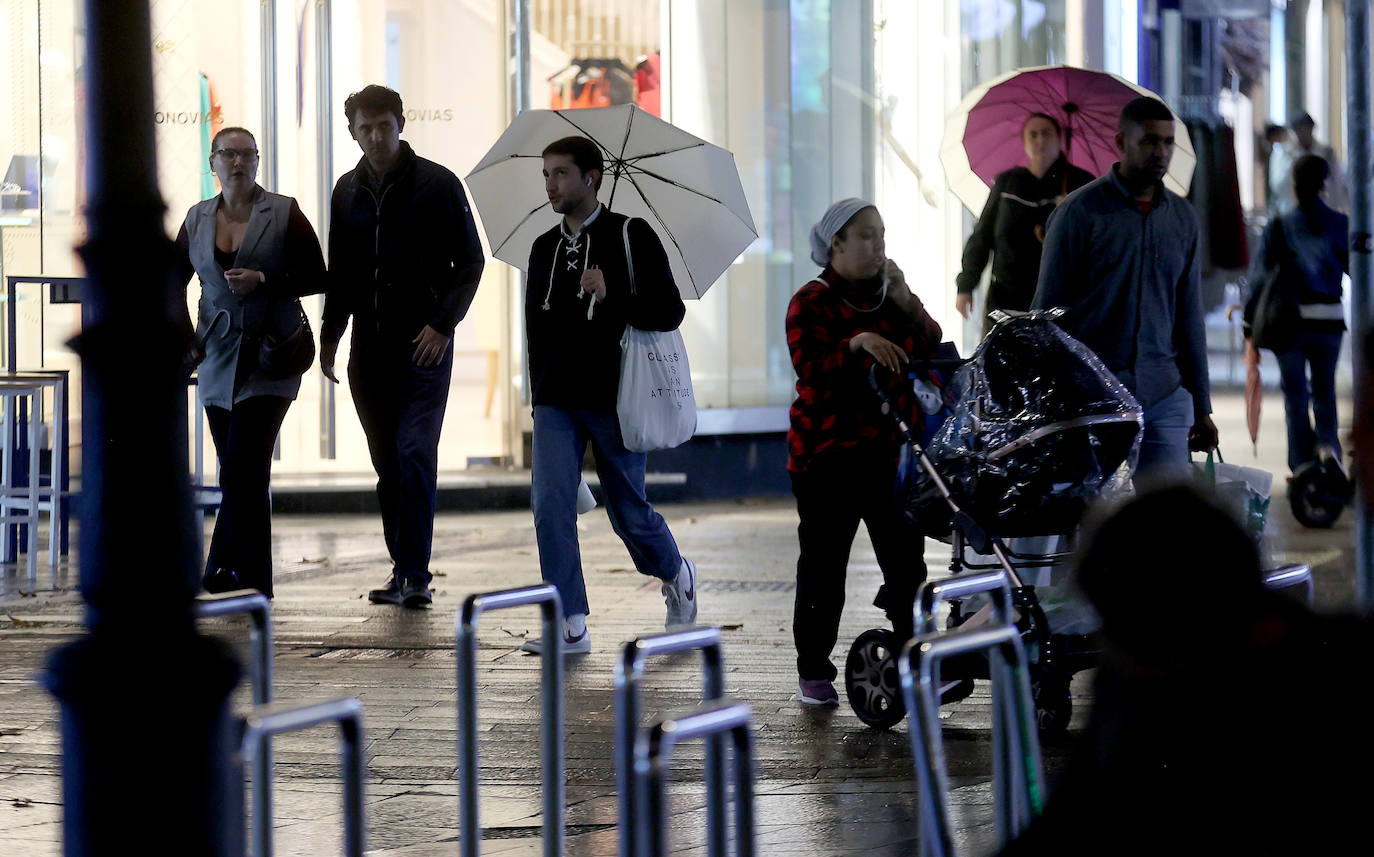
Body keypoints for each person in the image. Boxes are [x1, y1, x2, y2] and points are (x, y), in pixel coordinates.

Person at [999, 483, 1374, 856]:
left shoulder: (1329, 686)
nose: (1134, 666)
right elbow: (1066, 818)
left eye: (1140, 646)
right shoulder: (1136, 677)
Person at [519, 135, 697, 655]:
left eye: (561, 174)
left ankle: (675, 572)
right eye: (546, 174)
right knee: (549, 506)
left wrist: (611, 293)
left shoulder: (630, 235)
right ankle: (569, 623)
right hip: (556, 400)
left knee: (628, 514)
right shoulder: (543, 248)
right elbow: (536, 331)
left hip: (616, 398)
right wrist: (537, 399)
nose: (550, 185)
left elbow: (669, 312)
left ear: (591, 177)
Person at [320, 85, 484, 609]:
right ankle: (402, 568)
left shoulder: (437, 183)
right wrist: (329, 336)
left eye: (384, 125)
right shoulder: (346, 190)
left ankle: (416, 573)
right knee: (388, 465)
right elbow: (342, 273)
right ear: (352, 131)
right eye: (365, 128)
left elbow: (471, 263)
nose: (375, 136)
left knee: (415, 452)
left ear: (401, 123)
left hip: (423, 345)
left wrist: (442, 324)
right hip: (369, 349)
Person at [787, 199, 943, 705]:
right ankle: (814, 667)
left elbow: (933, 349)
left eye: (882, 235)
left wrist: (906, 300)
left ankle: (913, 653)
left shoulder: (888, 299)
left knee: (906, 563)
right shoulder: (809, 301)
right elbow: (811, 367)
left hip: (890, 453)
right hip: (825, 456)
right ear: (836, 244)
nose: (879, 246)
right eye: (867, 236)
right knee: (824, 567)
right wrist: (856, 343)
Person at [174, 126, 327, 599]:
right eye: (228, 155)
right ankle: (240, 573)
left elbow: (318, 275)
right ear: (213, 161)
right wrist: (185, 337)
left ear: (258, 161)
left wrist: (264, 278)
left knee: (245, 460)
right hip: (217, 356)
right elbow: (170, 280)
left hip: (270, 354)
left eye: (247, 155)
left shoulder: (283, 212)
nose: (238, 163)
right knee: (238, 467)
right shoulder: (197, 218)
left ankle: (239, 573)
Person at [1033, 96, 1217, 479]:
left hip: (1164, 394)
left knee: (1163, 515)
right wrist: (1049, 400)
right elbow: (1046, 315)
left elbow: (1188, 317)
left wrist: (1201, 405)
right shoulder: (1078, 214)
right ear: (1121, 142)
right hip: (1094, 396)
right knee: (1095, 520)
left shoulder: (1182, 220)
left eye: (1168, 143)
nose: (1161, 152)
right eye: (1150, 141)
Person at [1244, 155, 1349, 473]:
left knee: (1295, 396)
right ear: (1325, 183)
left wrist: (1250, 320)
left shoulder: (1280, 224)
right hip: (1329, 320)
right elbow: (1355, 267)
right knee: (1324, 390)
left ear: (1293, 182)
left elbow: (1260, 278)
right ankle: (1329, 452)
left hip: (1289, 322)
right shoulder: (1339, 223)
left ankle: (1302, 466)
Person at [955, 113, 1094, 335]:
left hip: (1060, 304)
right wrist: (966, 285)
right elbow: (983, 235)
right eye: (1033, 135)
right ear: (1024, 142)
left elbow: (1094, 246)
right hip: (1005, 300)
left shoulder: (1081, 184)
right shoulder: (1007, 183)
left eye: (1047, 133)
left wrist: (1066, 217)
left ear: (1059, 139)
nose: (1040, 140)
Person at [1271, 111, 1350, 214]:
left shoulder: (1326, 153)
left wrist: (1341, 207)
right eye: (1300, 130)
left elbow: (1337, 184)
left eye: (1307, 129)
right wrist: (1295, 159)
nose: (1303, 134)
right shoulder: (1282, 154)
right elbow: (1278, 186)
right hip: (1291, 213)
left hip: (1322, 212)